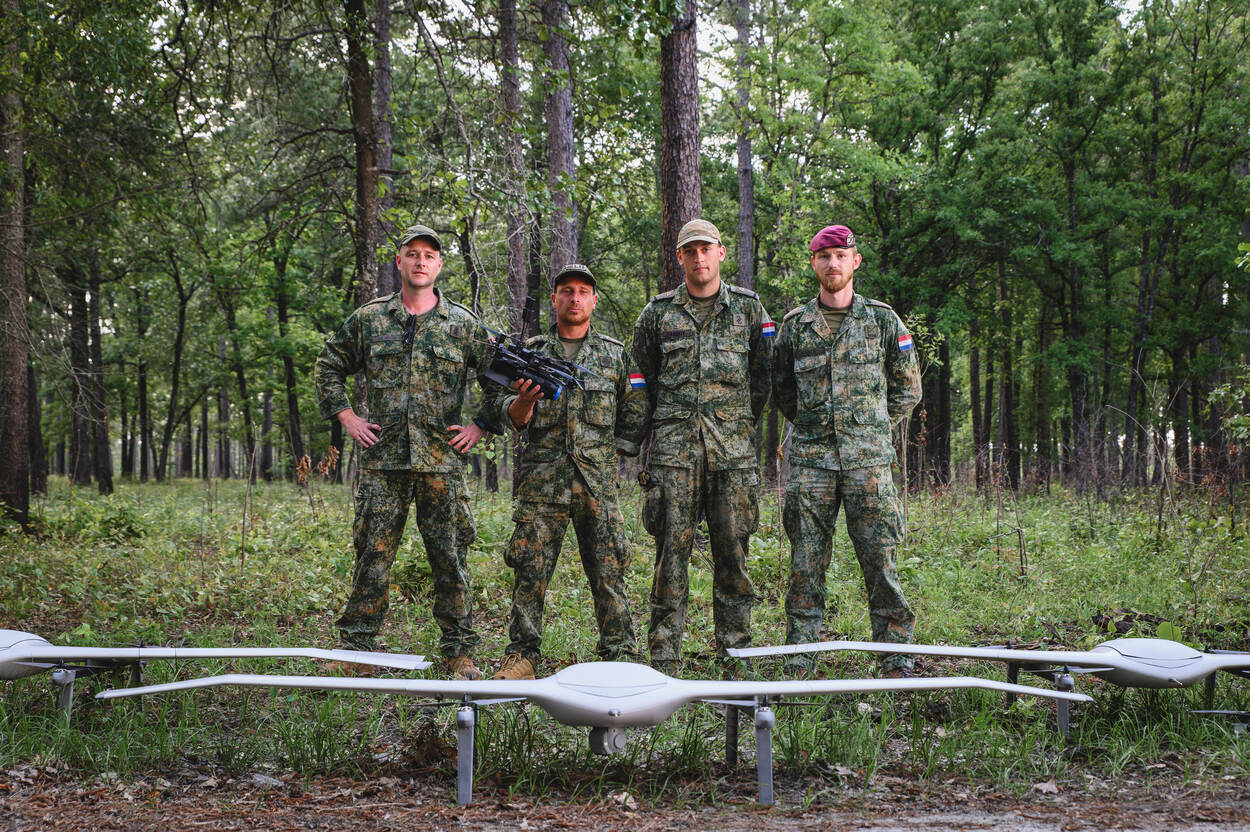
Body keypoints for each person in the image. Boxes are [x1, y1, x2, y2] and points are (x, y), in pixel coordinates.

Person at [314, 224, 500, 680]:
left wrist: (480, 425)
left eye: (429, 256)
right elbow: (329, 365)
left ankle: (459, 650)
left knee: (449, 556)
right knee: (372, 556)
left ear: (439, 265)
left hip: (441, 461)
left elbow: (502, 377)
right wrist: (347, 417)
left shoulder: (462, 325)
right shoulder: (369, 319)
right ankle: (357, 646)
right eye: (412, 254)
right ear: (398, 262)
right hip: (384, 461)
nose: (420, 262)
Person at [772, 224, 922, 677]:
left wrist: (868, 426)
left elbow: (907, 388)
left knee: (881, 563)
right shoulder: (795, 326)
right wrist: (817, 426)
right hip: (812, 463)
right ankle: (799, 659)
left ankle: (895, 659)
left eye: (841, 255)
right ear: (814, 263)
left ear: (855, 261)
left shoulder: (881, 320)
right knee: (805, 565)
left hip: (869, 466)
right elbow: (782, 389)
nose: (832, 263)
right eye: (824, 256)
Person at [487, 264, 647, 680]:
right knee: (530, 574)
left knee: (610, 572)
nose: (575, 298)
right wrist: (523, 402)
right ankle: (522, 656)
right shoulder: (531, 353)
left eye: (583, 292)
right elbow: (506, 413)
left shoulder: (615, 355)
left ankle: (620, 654)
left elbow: (634, 413)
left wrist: (608, 455)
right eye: (566, 291)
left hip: (598, 485)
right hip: (543, 484)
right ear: (555, 299)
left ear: (593, 300)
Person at [631, 219, 773, 672]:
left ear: (721, 252)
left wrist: (734, 421)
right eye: (689, 251)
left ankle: (734, 652)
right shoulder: (657, 314)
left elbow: (764, 377)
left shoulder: (749, 310)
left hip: (732, 455)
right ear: (680, 258)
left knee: (733, 554)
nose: (698, 258)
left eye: (705, 249)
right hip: (674, 454)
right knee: (670, 556)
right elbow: (642, 381)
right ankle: (665, 656)